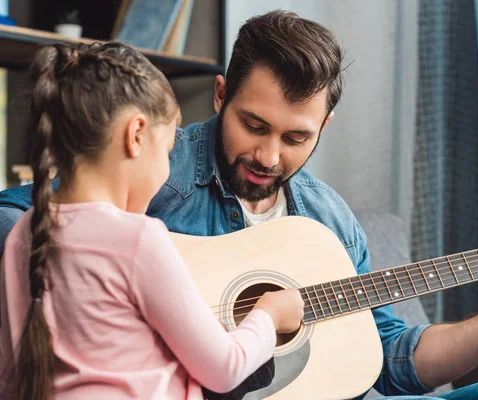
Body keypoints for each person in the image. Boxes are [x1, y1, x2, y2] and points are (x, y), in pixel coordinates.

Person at [0, 10, 478, 400]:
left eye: (296, 137)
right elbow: (19, 217)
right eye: (254, 125)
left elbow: (393, 360)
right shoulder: (153, 164)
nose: (269, 156)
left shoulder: (327, 221)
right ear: (222, 94)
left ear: (324, 125)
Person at [0, 42, 304, 400]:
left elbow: (9, 378)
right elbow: (224, 369)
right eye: (168, 150)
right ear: (136, 135)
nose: (167, 168)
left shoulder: (24, 231)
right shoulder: (137, 239)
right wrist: (268, 315)